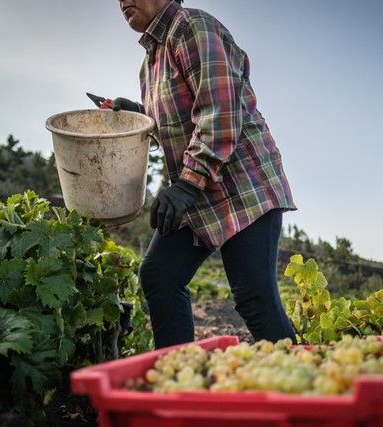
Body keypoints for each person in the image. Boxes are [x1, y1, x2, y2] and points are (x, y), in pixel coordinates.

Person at [114, 0, 298, 348]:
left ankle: (308, 395)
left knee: (254, 296)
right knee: (159, 275)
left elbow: (219, 111)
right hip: (199, 190)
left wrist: (186, 183)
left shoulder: (190, 27)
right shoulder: (150, 63)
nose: (123, 1)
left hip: (243, 186)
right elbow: (178, 118)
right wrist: (137, 114)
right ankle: (177, 386)